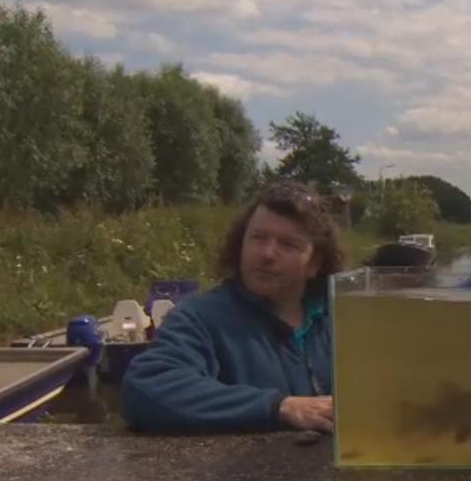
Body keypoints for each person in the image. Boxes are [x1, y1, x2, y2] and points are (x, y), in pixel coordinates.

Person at [121, 181, 344, 433]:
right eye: (258, 238)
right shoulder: (200, 318)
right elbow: (146, 388)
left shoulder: (342, 320)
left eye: (287, 244)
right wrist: (278, 407)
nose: (267, 254)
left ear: (314, 263)